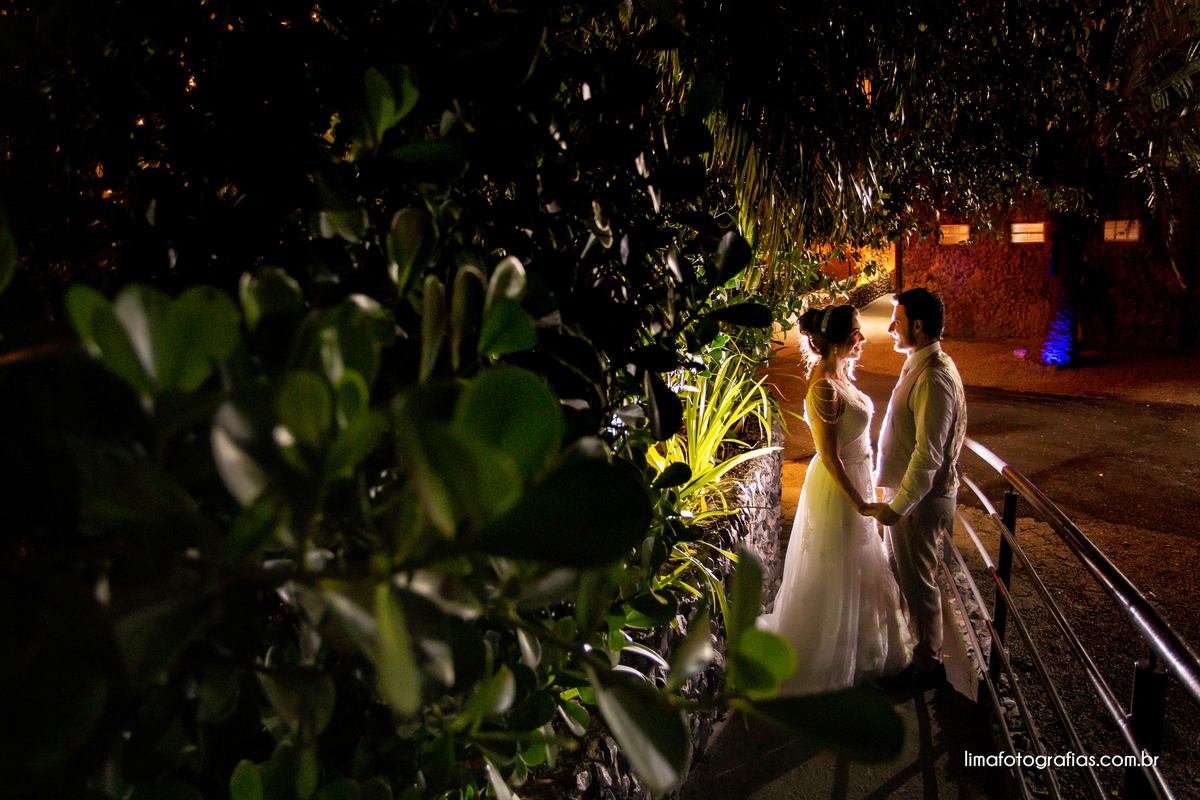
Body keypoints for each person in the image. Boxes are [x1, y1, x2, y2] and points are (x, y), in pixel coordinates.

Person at [760, 303, 913, 695]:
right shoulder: (823, 387)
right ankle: (826, 659)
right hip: (838, 488)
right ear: (839, 339)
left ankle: (862, 651)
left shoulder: (841, 375)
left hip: (859, 479)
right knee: (839, 570)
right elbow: (828, 456)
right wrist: (858, 502)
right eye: (856, 332)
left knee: (860, 569)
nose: (862, 338)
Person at [865, 288, 967, 685]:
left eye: (898, 321)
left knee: (919, 581)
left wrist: (899, 505)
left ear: (918, 327)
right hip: (910, 498)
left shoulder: (934, 377)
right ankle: (918, 653)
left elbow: (929, 454)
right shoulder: (921, 364)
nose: (891, 328)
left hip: (919, 503)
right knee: (910, 577)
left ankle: (928, 666)